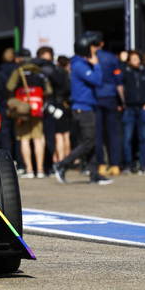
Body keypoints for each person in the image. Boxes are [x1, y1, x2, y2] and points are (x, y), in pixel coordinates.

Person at [53, 33, 113, 185]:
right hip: (83, 108)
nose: (96, 49)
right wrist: (97, 65)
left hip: (87, 107)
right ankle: (62, 165)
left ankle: (94, 175)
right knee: (88, 142)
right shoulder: (80, 65)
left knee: (92, 142)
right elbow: (97, 80)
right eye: (93, 47)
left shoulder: (80, 63)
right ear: (85, 48)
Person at [6, 48, 52, 179]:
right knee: (38, 138)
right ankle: (41, 169)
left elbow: (9, 87)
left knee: (24, 138)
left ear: (20, 59)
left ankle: (30, 170)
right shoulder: (40, 72)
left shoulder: (18, 72)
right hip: (37, 107)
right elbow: (49, 91)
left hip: (23, 109)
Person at [88, 31, 125, 177]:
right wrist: (122, 101)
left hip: (95, 97)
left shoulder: (88, 58)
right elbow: (119, 81)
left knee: (97, 133)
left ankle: (101, 165)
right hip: (110, 97)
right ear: (102, 43)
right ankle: (115, 165)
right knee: (113, 133)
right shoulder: (111, 58)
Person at [121, 50, 145, 175]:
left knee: (143, 138)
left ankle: (143, 165)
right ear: (129, 61)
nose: (137, 61)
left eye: (138, 59)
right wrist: (122, 62)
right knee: (127, 139)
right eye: (133, 59)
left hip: (143, 109)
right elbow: (118, 83)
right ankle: (128, 165)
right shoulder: (125, 72)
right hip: (129, 109)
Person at [33, 46, 59, 176]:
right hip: (44, 106)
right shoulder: (50, 70)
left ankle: (38, 167)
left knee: (38, 138)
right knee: (45, 138)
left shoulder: (31, 69)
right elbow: (58, 84)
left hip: (35, 107)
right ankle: (45, 166)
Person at [0, 47, 21, 165]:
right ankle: (21, 162)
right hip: (18, 105)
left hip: (4, 105)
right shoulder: (19, 72)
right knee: (19, 134)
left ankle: (7, 161)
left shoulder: (0, 73)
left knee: (5, 134)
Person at [53, 55, 72, 163]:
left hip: (57, 104)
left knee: (59, 133)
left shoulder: (55, 73)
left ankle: (61, 159)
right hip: (64, 104)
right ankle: (67, 158)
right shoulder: (66, 74)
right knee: (65, 133)